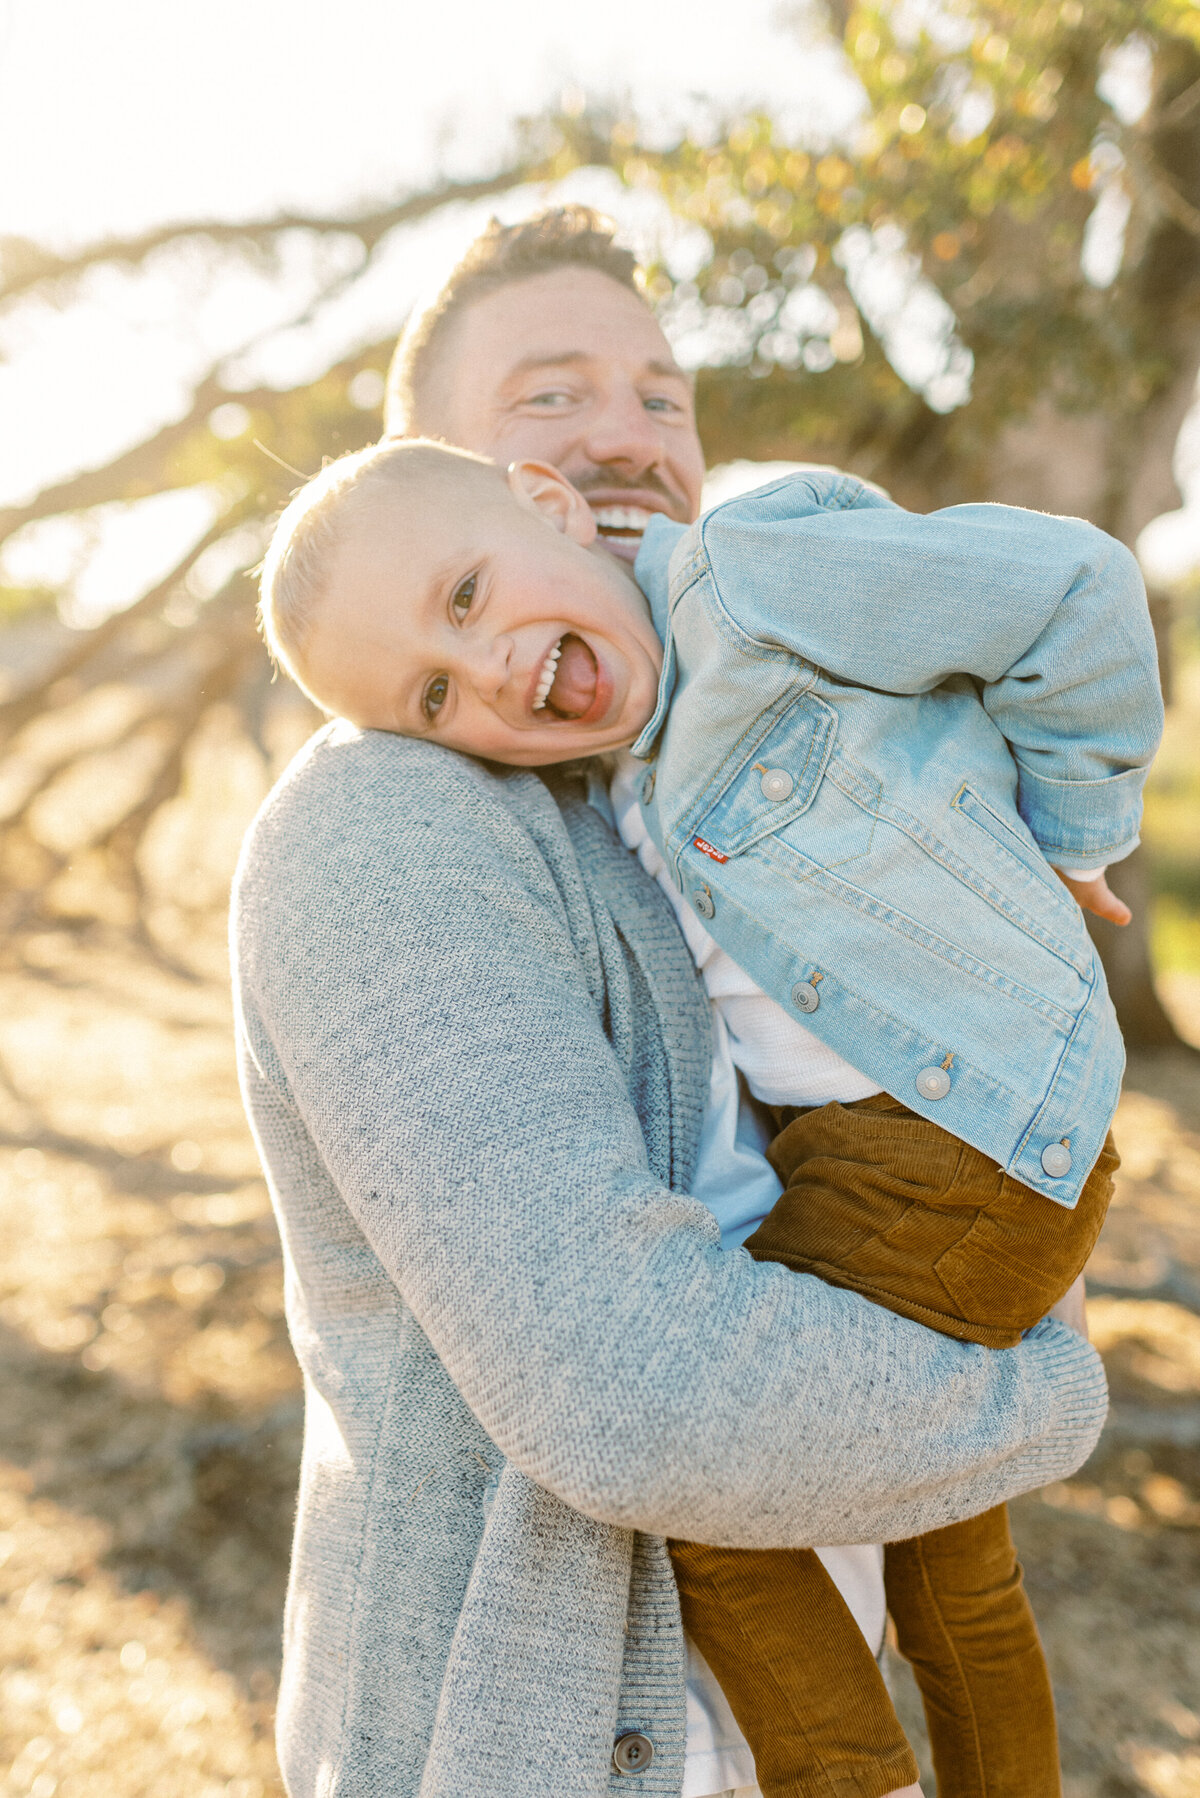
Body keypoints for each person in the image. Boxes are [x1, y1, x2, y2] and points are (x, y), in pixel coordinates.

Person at [232, 210, 1112, 1798]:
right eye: (555, 394)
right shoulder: (388, 822)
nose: (630, 439)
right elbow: (632, 1389)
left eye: (662, 394)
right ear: (448, 472)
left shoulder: (680, 771)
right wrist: (1042, 1390)